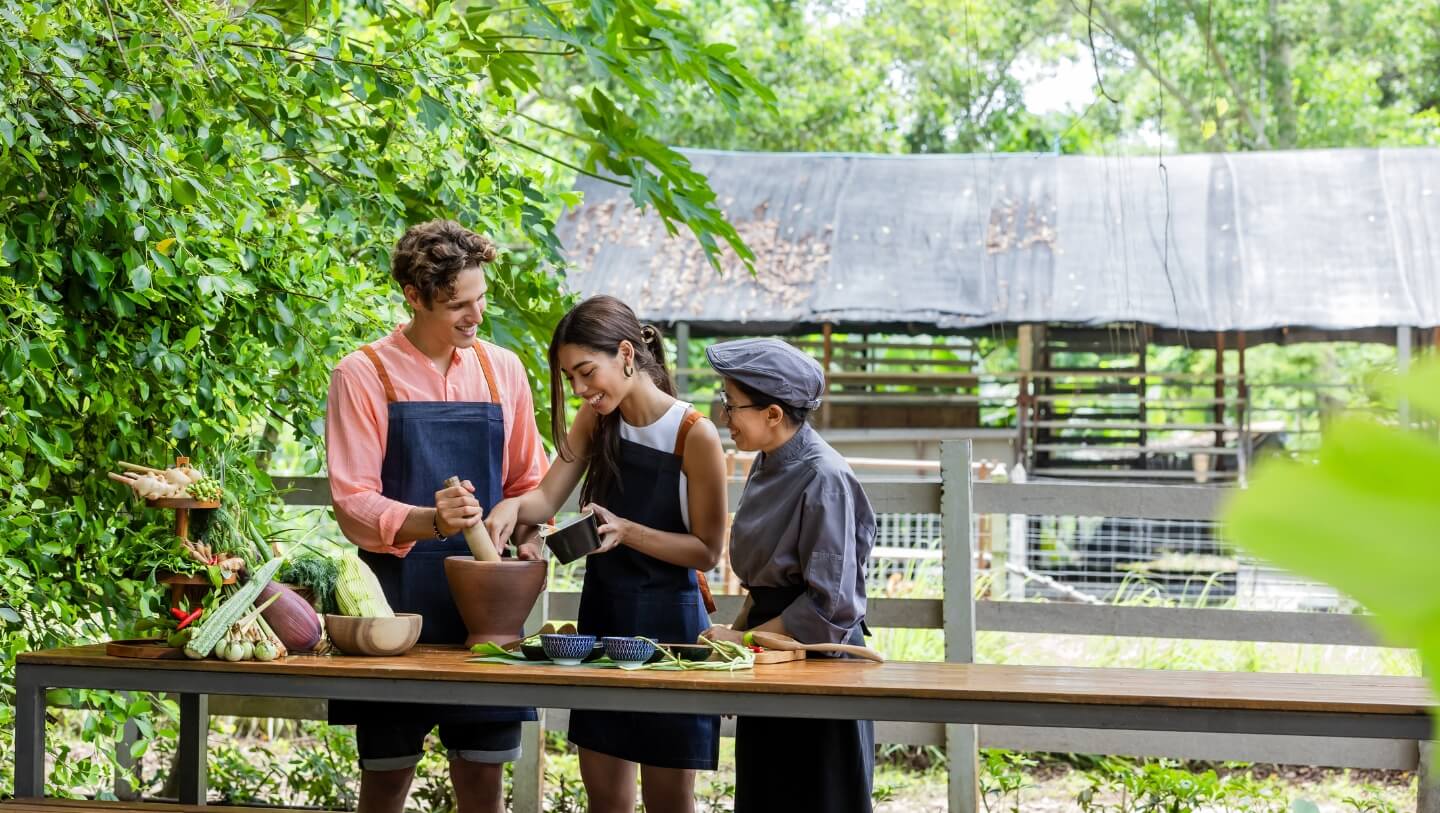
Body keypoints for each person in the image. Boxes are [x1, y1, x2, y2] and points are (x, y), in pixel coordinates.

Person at [324, 220, 548, 813]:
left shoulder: (504, 370)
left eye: (480, 299)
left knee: (483, 781)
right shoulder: (363, 373)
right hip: (393, 608)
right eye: (457, 305)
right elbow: (352, 503)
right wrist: (432, 519)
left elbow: (530, 483)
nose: (475, 316)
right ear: (415, 297)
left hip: (488, 613)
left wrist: (524, 531)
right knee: (387, 777)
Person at [485, 295, 728, 813]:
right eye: (570, 377)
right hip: (603, 620)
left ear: (625, 353)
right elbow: (547, 498)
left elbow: (708, 551)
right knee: (606, 799)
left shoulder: (694, 434)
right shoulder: (596, 421)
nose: (579, 389)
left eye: (585, 372)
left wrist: (629, 532)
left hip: (671, 638)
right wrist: (511, 507)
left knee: (670, 802)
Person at [700, 338, 877, 813]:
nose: (724, 417)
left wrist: (746, 642)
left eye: (731, 405)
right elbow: (768, 585)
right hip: (772, 653)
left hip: (819, 662)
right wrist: (738, 640)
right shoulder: (768, 461)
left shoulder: (825, 476)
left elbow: (831, 607)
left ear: (774, 414)